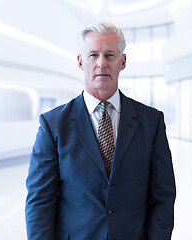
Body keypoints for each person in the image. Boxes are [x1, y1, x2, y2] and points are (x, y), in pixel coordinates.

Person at [25, 22, 176, 240]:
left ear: (123, 61)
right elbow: (39, 203)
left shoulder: (151, 122)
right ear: (80, 61)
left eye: (110, 55)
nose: (101, 63)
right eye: (93, 55)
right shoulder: (53, 125)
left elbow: (163, 196)